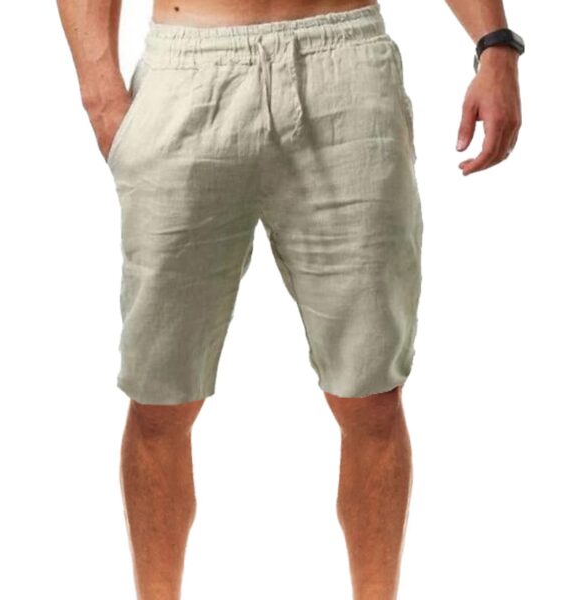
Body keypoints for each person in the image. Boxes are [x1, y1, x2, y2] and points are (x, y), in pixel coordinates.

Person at [57, 0, 523, 597]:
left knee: (370, 396)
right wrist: (100, 92)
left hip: (345, 67)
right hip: (187, 69)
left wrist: (495, 43)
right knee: (159, 398)